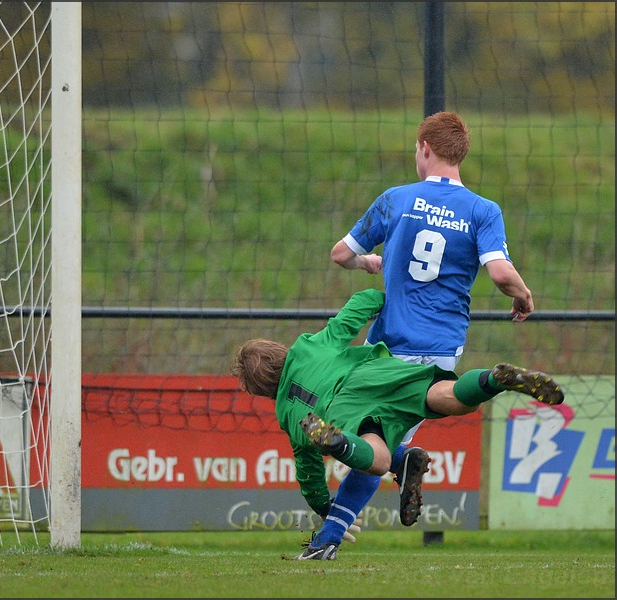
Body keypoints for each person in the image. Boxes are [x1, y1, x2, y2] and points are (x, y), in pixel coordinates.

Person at [311, 111, 536, 554]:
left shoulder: (395, 198)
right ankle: (411, 454)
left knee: (367, 440)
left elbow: (340, 254)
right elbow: (499, 272)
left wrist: (368, 262)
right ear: (460, 155)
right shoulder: (482, 210)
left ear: (425, 149)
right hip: (438, 349)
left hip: (384, 344)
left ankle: (330, 537)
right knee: (378, 437)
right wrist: (523, 295)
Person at [231, 288, 563, 561]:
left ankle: (344, 445)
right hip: (377, 373)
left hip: (345, 408)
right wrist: (389, 296)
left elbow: (309, 473)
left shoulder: (289, 416)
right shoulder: (309, 346)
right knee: (445, 395)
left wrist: (324, 506)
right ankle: (494, 379)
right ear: (280, 352)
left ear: (260, 390)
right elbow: (358, 306)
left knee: (375, 458)